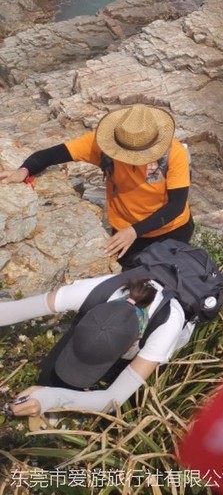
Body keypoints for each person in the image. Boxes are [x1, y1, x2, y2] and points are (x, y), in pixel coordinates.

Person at [0, 104, 192, 269]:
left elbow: (176, 205)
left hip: (171, 231)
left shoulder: (174, 153)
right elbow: (51, 155)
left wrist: (134, 231)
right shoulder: (102, 144)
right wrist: (23, 171)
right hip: (124, 231)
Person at [0, 271, 195, 421]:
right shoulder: (97, 291)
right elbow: (12, 310)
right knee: (49, 375)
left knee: (125, 394)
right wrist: (46, 393)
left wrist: (50, 398)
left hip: (156, 341)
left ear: (129, 348)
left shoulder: (166, 328)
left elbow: (113, 399)